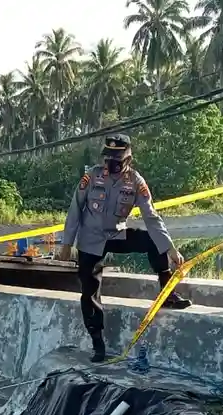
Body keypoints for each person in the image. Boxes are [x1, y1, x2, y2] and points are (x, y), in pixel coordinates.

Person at [58, 133, 193, 362]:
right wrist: (66, 243)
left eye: (117, 159)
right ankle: (97, 343)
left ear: (128, 159)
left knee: (153, 240)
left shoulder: (136, 182)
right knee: (89, 291)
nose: (111, 163)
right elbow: (75, 210)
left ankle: (167, 292)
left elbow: (151, 217)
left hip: (116, 234)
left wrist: (170, 248)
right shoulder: (92, 177)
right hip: (90, 238)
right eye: (108, 158)